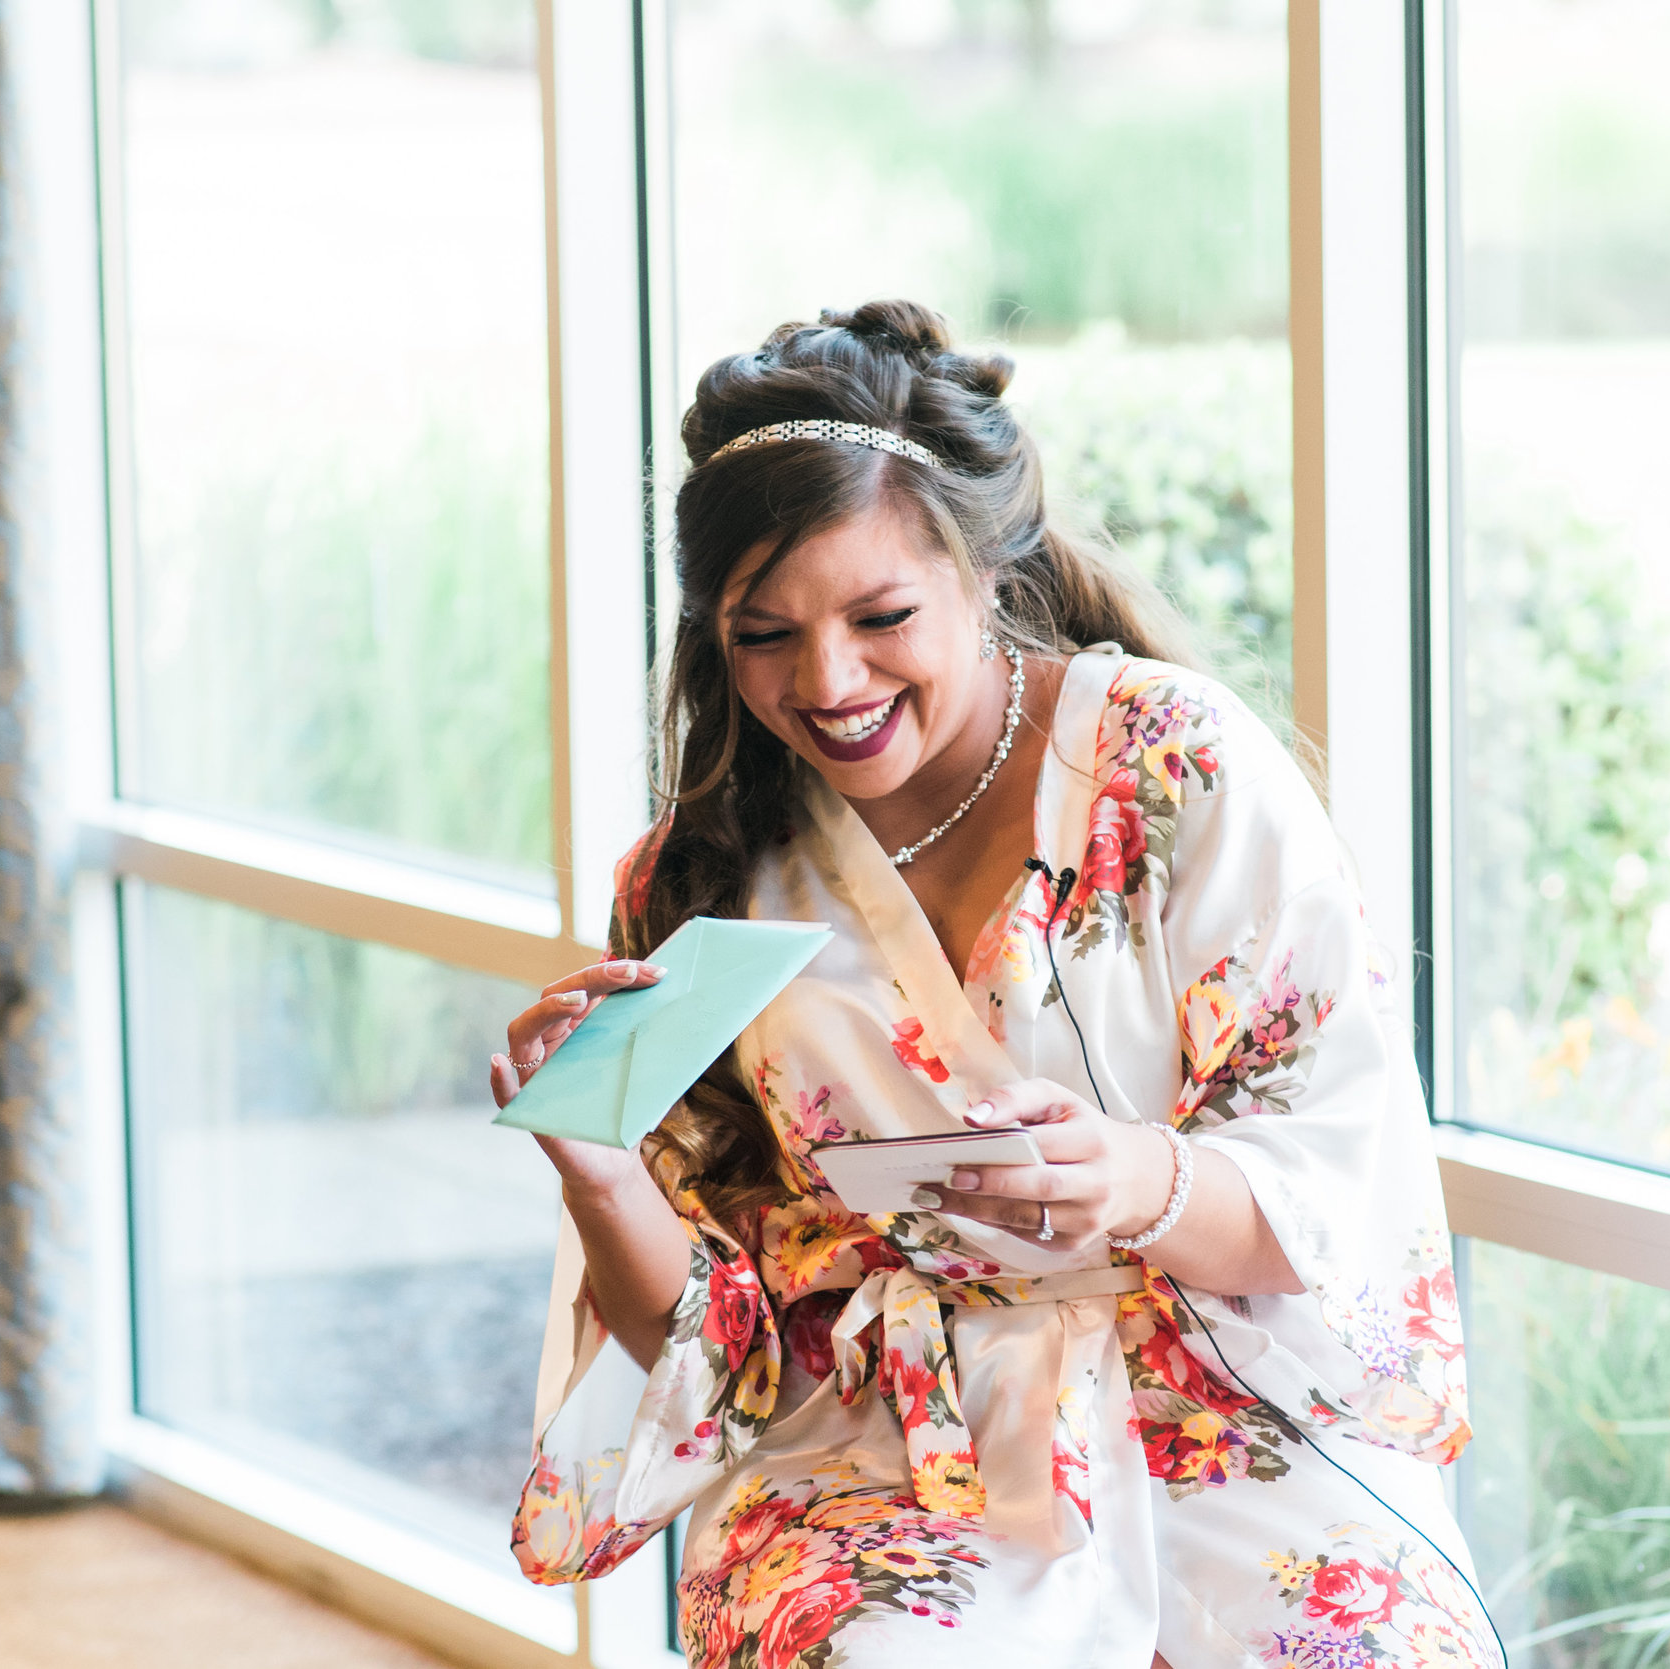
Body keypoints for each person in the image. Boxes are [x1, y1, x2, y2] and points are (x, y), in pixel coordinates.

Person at [487, 300, 1494, 1668]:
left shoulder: (1170, 766)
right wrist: (597, 1173)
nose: (828, 680)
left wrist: (1136, 1179)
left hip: (1223, 1407)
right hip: (890, 1451)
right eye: (762, 633)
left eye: (882, 613)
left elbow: (1347, 1185)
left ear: (980, 565)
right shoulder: (706, 876)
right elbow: (727, 1344)